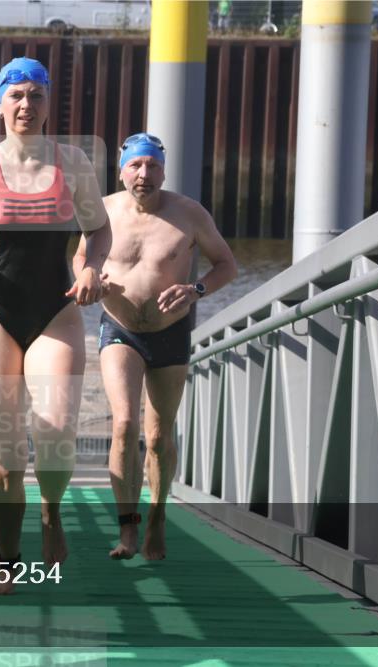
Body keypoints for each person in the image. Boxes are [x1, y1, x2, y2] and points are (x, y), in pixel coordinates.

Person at [0, 56, 112, 594]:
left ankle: (51, 514)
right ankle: (6, 559)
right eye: (16, 95)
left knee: (56, 427)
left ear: (46, 105)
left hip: (53, 307)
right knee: (5, 457)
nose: (26, 105)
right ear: (0, 103)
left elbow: (99, 231)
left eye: (36, 96)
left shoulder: (74, 162)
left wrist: (90, 269)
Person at [73, 133, 237, 561]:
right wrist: (91, 278)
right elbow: (80, 258)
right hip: (119, 328)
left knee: (159, 435)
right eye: (136, 166)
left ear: (163, 170)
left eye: (153, 166)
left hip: (171, 332)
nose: (145, 175)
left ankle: (157, 517)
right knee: (124, 425)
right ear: (121, 170)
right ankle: (127, 527)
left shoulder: (189, 214)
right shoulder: (103, 210)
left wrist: (196, 289)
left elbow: (227, 265)